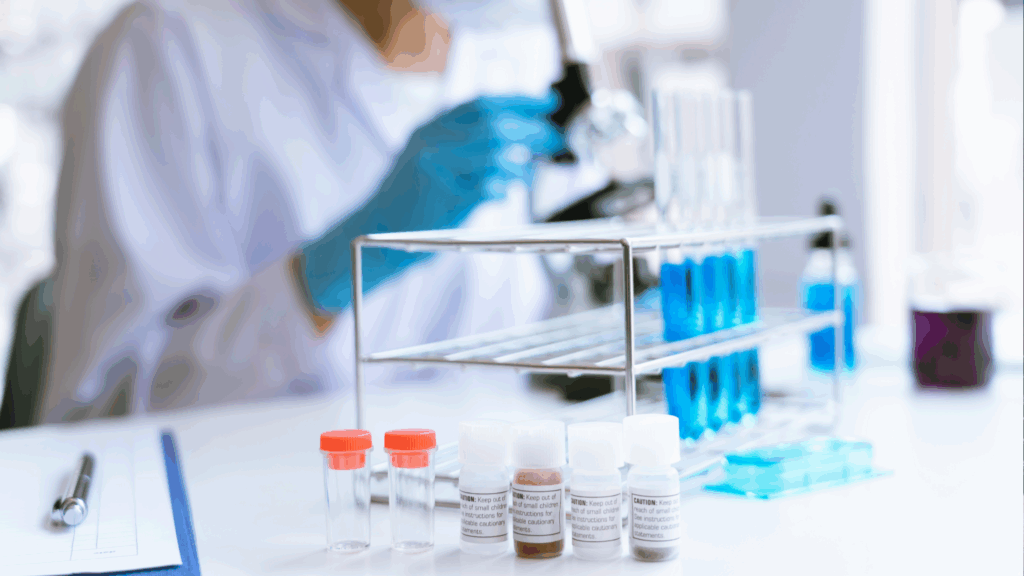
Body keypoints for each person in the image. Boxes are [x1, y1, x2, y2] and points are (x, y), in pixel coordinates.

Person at [31, 0, 565, 423]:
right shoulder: (164, 44)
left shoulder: (526, 50)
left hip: (479, 513)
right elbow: (102, 413)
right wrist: (323, 276)